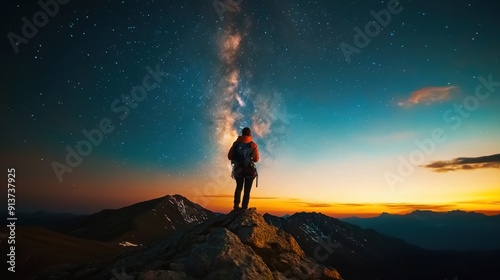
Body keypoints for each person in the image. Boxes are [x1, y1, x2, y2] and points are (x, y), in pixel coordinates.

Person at [228, 127, 259, 210]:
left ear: (242, 133)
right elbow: (256, 159)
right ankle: (244, 208)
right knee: (247, 190)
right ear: (250, 134)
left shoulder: (236, 143)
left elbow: (229, 156)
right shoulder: (253, 145)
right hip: (249, 170)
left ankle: (236, 206)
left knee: (239, 187)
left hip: (238, 169)